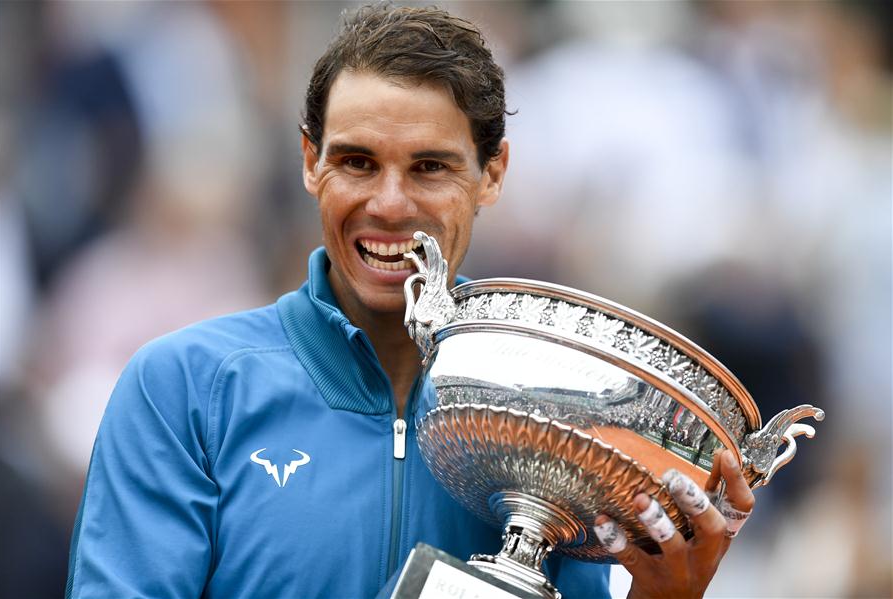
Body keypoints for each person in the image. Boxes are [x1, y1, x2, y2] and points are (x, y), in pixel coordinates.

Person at [66, 4, 754, 598]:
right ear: (310, 162)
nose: (389, 205)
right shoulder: (185, 389)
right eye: (357, 162)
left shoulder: (556, 430)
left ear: (492, 174)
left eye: (429, 167)